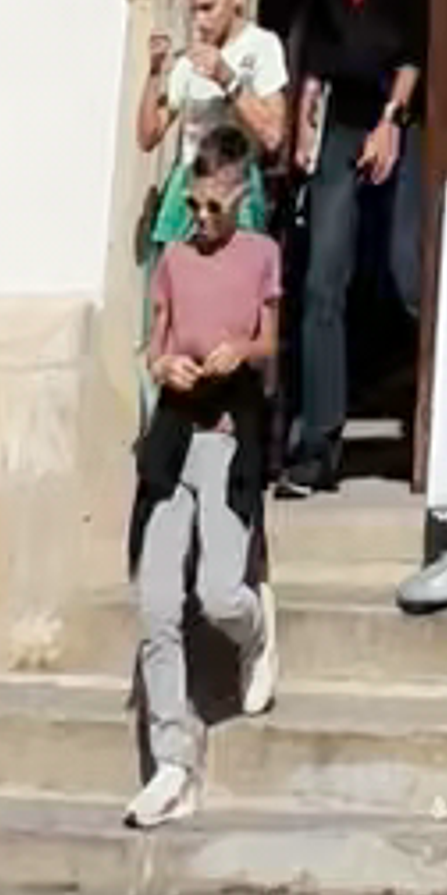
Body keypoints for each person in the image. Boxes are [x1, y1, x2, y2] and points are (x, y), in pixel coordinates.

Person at [124, 124, 283, 827]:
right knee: (158, 603)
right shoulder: (173, 259)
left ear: (239, 193)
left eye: (214, 206)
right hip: (173, 439)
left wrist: (240, 351)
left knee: (218, 592)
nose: (201, 219)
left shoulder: (261, 255)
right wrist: (165, 365)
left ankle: (257, 633)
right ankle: (172, 762)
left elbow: (270, 345)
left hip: (227, 437)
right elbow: (152, 344)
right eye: (194, 204)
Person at [282, 0, 429, 494]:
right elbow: (316, 26)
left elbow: (424, 30)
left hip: (402, 110)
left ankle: (437, 426)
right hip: (342, 111)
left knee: (408, 274)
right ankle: (318, 440)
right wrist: (307, 108)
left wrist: (394, 120)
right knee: (321, 279)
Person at [133, 0, 274, 267]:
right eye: (192, 9)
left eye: (207, 7)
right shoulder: (189, 60)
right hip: (188, 185)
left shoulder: (262, 47)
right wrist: (155, 73)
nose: (198, 21)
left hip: (233, 186)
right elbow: (148, 136)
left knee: (234, 295)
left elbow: (273, 135)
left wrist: (228, 78)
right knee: (175, 294)